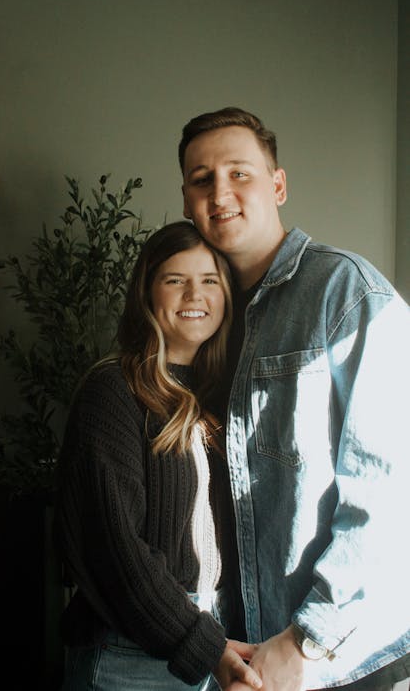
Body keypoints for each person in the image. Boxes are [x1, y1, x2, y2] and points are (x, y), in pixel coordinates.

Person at [178, 106, 410, 691]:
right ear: (186, 200)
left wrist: (310, 641)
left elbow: (389, 492)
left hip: (343, 657)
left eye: (239, 173)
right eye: (202, 179)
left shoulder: (347, 294)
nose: (220, 192)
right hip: (246, 651)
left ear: (277, 185)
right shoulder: (205, 319)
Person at [53, 221, 264, 691]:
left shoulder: (223, 395)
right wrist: (206, 646)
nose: (195, 294)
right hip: (128, 656)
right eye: (176, 280)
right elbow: (116, 552)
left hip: (218, 633)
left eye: (210, 280)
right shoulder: (113, 392)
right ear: (148, 293)